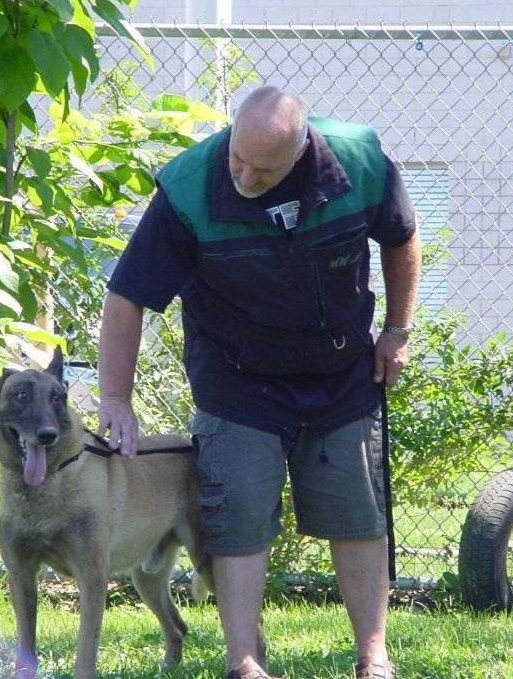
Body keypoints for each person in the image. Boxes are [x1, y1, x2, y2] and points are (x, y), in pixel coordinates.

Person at [96, 85, 421, 679]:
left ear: (300, 151)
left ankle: (374, 657)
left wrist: (397, 331)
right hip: (237, 381)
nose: (244, 176)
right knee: (238, 517)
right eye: (237, 160)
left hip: (340, 370)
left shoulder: (360, 161)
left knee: (359, 513)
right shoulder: (190, 187)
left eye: (263, 168)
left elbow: (401, 238)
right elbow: (127, 296)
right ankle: (244, 662)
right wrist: (115, 397)